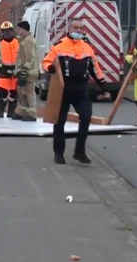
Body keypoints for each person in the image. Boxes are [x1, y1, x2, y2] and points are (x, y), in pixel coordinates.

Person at [42, 18, 111, 164]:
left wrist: (103, 85)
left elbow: (94, 68)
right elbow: (46, 62)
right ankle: (59, 153)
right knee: (59, 121)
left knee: (86, 116)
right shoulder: (59, 47)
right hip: (64, 88)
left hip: (81, 89)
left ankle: (79, 151)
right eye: (76, 28)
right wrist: (50, 68)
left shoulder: (87, 48)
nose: (78, 31)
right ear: (69, 29)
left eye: (81, 28)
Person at [0, 21, 19, 118]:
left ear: (12, 31)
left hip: (15, 71)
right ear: (2, 32)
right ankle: (0, 111)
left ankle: (11, 112)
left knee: (13, 94)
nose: (7, 33)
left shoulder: (17, 42)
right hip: (3, 71)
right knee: (2, 93)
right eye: (5, 31)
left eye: (9, 31)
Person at [12, 21, 38, 122]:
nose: (17, 31)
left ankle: (32, 113)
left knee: (29, 92)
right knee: (21, 92)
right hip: (23, 70)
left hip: (29, 71)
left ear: (24, 29)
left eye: (18, 29)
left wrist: (24, 70)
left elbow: (30, 57)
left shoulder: (28, 41)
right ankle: (22, 111)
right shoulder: (23, 40)